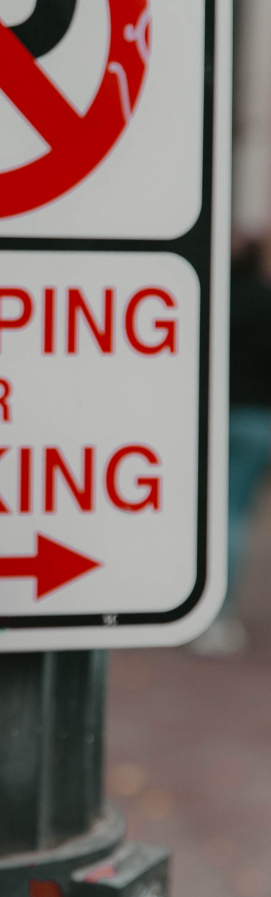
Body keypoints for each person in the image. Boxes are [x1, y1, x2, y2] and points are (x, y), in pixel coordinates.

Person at [192, 243, 271, 654]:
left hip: (221, 415)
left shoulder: (223, 298)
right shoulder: (262, 301)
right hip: (260, 420)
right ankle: (218, 614)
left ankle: (207, 609)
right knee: (236, 516)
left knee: (218, 514)